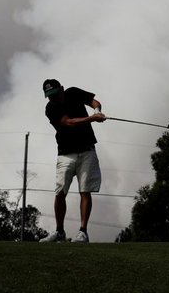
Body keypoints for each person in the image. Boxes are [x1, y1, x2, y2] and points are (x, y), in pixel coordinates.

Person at [40, 78, 107, 243]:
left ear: (62, 89)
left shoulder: (73, 92)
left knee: (85, 191)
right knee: (60, 192)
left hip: (87, 150)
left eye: (55, 94)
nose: (53, 98)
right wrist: (92, 119)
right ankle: (60, 232)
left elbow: (94, 101)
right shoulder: (50, 108)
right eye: (50, 96)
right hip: (65, 153)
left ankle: (83, 232)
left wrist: (97, 111)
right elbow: (68, 122)